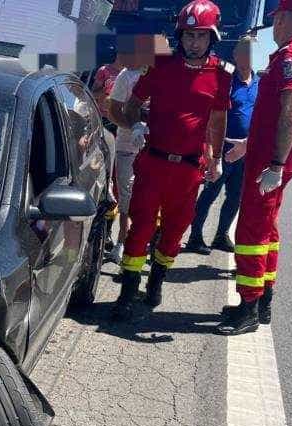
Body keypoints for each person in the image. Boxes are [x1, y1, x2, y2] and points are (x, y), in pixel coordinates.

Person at [111, 0, 232, 320]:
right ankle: (126, 293)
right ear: (181, 36)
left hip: (190, 169)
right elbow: (133, 103)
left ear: (212, 38)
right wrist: (135, 124)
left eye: (201, 36)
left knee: (175, 231)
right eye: (189, 35)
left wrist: (217, 158)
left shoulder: (221, 75)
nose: (194, 42)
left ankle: (156, 279)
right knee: (141, 227)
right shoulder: (161, 66)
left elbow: (218, 121)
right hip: (153, 163)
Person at [216, 0, 292, 335]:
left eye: (277, 20)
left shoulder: (291, 58)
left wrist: (274, 162)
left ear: (289, 20)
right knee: (268, 232)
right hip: (270, 158)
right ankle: (263, 302)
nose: (274, 26)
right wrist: (251, 145)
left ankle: (248, 306)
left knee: (251, 233)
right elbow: (276, 116)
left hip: (270, 164)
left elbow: (291, 113)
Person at [184, 35, 259, 254]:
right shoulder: (224, 81)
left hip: (244, 152)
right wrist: (210, 151)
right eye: (243, 51)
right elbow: (211, 117)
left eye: (251, 52)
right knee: (208, 195)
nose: (247, 56)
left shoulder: (259, 83)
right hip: (223, 150)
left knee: (235, 196)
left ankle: (221, 235)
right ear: (235, 55)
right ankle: (195, 237)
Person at [105, 34, 164, 264]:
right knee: (127, 197)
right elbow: (113, 110)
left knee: (152, 197)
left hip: (156, 147)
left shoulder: (164, 78)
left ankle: (146, 241)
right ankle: (122, 241)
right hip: (127, 146)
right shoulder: (126, 76)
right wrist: (133, 125)